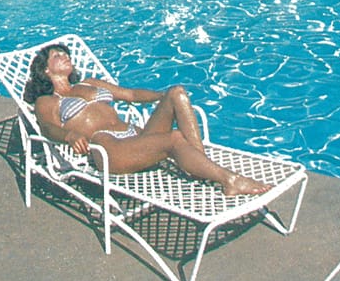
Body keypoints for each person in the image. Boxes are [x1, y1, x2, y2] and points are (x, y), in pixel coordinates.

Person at [23, 43, 271, 196]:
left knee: (177, 93)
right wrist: (69, 135)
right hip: (109, 149)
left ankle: (201, 166)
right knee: (174, 138)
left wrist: (162, 97)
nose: (65, 56)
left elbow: (130, 94)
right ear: (46, 69)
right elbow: (47, 128)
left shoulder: (89, 83)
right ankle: (230, 180)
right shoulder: (49, 100)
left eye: (65, 53)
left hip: (135, 135)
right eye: (57, 55)